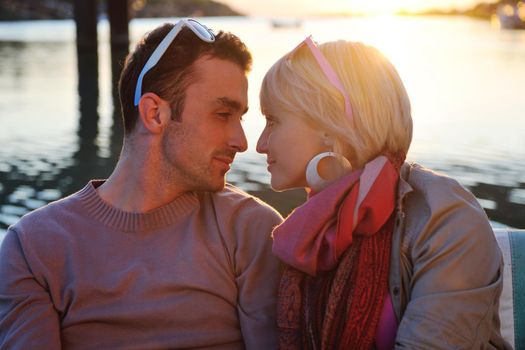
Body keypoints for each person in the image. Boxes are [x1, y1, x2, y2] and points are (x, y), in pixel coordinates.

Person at [0, 19, 282, 349]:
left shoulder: (253, 230)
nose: (241, 141)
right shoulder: (34, 248)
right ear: (154, 114)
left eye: (241, 118)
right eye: (223, 114)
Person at [256, 36, 510, 349]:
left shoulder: (444, 216)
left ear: (327, 124)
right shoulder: (313, 227)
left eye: (272, 120)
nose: (260, 144)